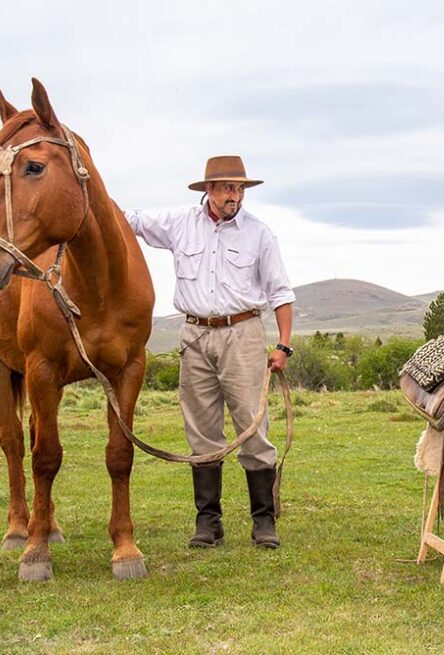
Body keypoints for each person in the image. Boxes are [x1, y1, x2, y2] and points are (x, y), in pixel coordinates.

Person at [124, 155, 295, 549]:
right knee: (201, 432)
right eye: (227, 188)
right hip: (195, 335)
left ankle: (263, 522)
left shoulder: (260, 234)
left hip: (243, 333)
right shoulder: (179, 224)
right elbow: (130, 220)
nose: (235, 195)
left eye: (239, 188)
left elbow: (281, 293)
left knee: (253, 427)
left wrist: (283, 344)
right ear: (209, 191)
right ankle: (208, 523)